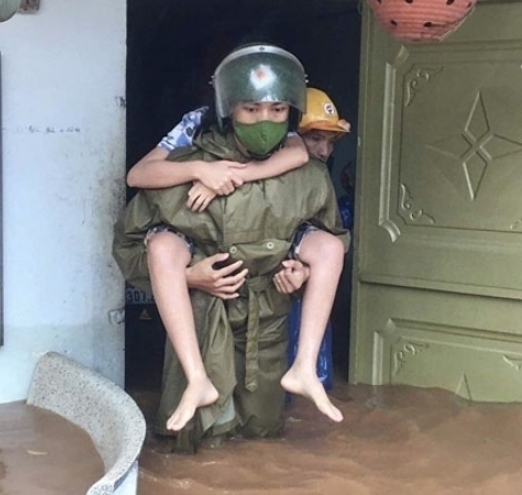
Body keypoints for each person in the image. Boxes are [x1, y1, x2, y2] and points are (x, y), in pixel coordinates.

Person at [113, 43, 348, 451]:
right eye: (251, 109)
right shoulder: (185, 161)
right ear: (228, 109)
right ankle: (198, 379)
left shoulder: (303, 168)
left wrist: (303, 274)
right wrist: (190, 277)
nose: (264, 120)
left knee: (263, 435)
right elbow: (133, 239)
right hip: (203, 319)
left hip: (267, 321)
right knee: (200, 441)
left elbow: (329, 237)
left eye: (277, 110)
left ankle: (305, 367)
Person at [273, 87, 351, 396]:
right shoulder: (250, 172)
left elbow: (336, 237)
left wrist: (306, 270)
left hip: (295, 288)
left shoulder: (317, 179)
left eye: (330, 142)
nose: (324, 151)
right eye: (315, 139)